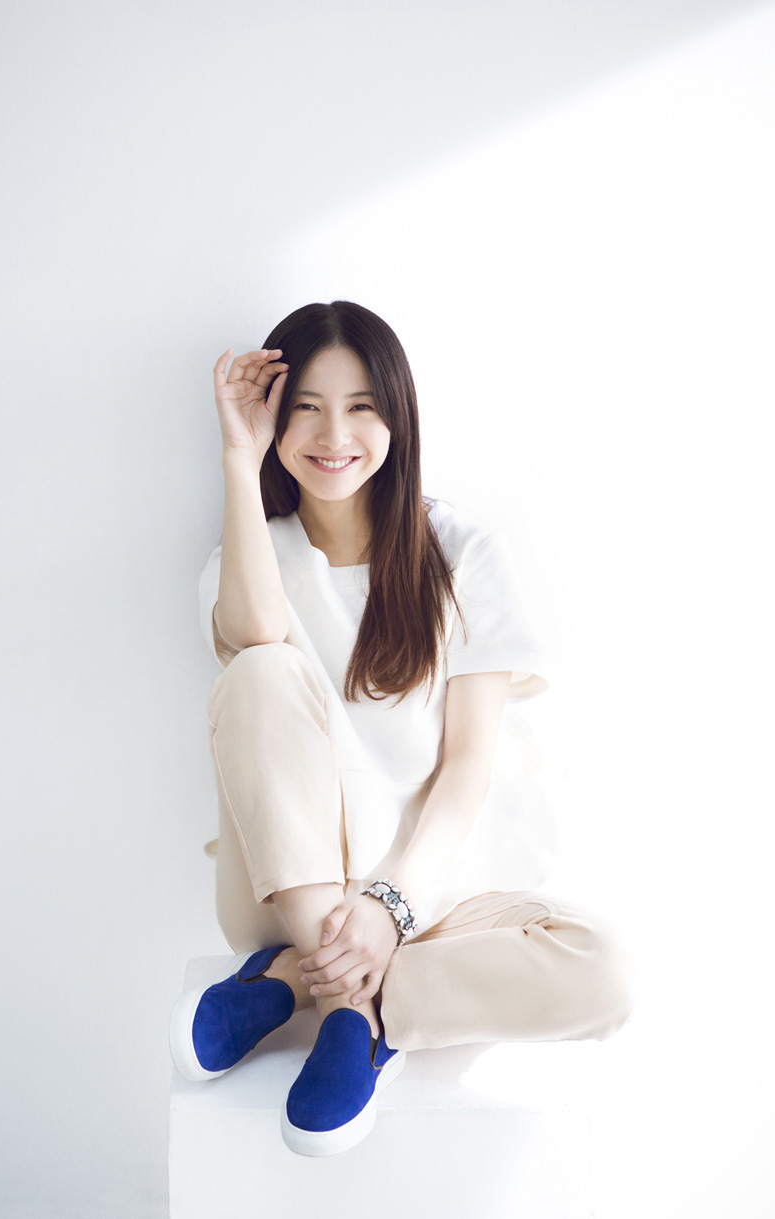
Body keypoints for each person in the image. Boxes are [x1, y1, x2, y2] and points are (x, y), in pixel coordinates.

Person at [169, 300, 634, 1158]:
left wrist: (390, 902)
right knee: (260, 668)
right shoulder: (249, 558)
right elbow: (258, 634)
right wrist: (238, 454)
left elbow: (467, 767)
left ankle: (306, 987)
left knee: (604, 970)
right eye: (305, 407)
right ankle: (348, 1003)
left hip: (436, 887)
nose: (332, 434)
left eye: (360, 407)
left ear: (397, 417)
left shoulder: (458, 550)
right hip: (287, 888)